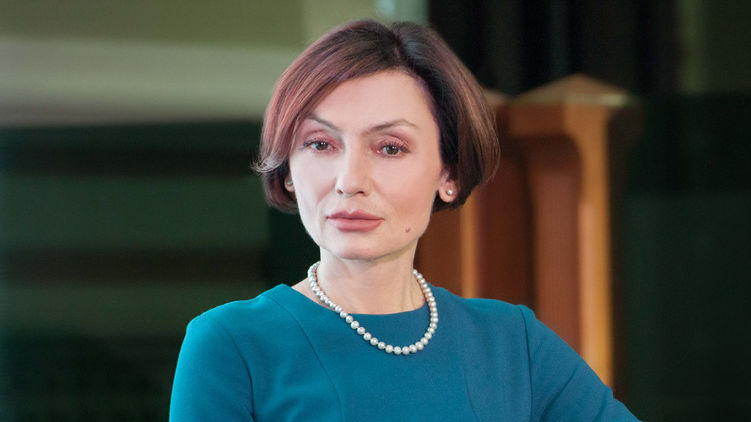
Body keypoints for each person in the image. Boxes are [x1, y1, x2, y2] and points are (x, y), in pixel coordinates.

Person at [170, 20, 639, 421]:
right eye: (320, 144)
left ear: (449, 173)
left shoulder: (511, 343)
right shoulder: (232, 345)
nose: (350, 181)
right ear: (288, 170)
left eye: (390, 148)